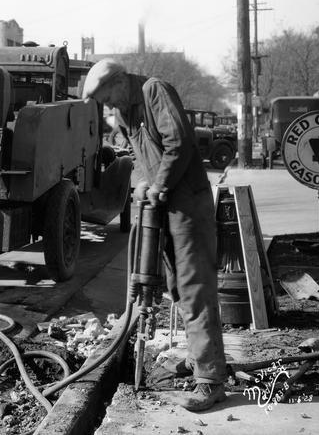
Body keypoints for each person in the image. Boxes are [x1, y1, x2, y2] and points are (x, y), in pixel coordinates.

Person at [82, 58, 227, 412]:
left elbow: (178, 143)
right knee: (177, 286)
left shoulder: (152, 91)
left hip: (187, 203)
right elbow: (139, 154)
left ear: (119, 81)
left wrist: (158, 185)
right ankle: (198, 358)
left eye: (108, 97)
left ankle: (210, 380)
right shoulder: (124, 113)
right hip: (165, 204)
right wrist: (145, 183)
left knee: (194, 286)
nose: (109, 106)